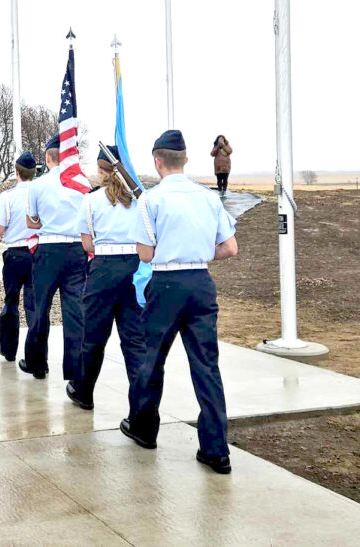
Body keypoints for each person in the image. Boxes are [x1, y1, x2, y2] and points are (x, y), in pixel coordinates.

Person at [120, 130, 239, 475]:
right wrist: (199, 253)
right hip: (201, 282)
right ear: (186, 159)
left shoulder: (150, 201)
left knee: (151, 358)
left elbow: (145, 253)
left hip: (166, 282)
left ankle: (144, 429)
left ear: (157, 161)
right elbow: (231, 248)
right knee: (206, 365)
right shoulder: (208, 197)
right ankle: (216, 450)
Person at [68, 145, 153, 410]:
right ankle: (140, 408)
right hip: (135, 269)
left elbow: (87, 245)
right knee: (135, 342)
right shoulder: (142, 200)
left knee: (93, 337)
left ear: (103, 171)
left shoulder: (91, 200)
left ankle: (83, 391)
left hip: (103, 269)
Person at [21, 135, 87, 381]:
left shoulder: (37, 185)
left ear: (48, 158)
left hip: (48, 250)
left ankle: (38, 363)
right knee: (74, 311)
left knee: (41, 308)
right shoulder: (81, 184)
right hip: (75, 249)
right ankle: (74, 369)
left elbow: (31, 221)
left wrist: (45, 222)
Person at [0, 151, 37, 363]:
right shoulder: (40, 194)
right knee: (34, 306)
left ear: (17, 172)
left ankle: (9, 350)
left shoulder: (7, 197)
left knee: (11, 301)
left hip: (15, 254)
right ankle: (35, 354)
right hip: (37, 253)